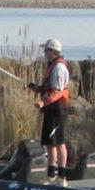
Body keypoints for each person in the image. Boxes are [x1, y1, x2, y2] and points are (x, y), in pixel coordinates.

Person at [32, 37, 71, 177]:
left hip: (57, 109)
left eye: (46, 50)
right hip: (51, 109)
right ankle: (51, 173)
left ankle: (61, 174)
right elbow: (50, 87)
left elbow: (59, 91)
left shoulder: (59, 67)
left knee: (59, 141)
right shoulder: (52, 65)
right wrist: (38, 88)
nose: (44, 52)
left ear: (53, 51)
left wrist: (43, 102)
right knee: (50, 142)